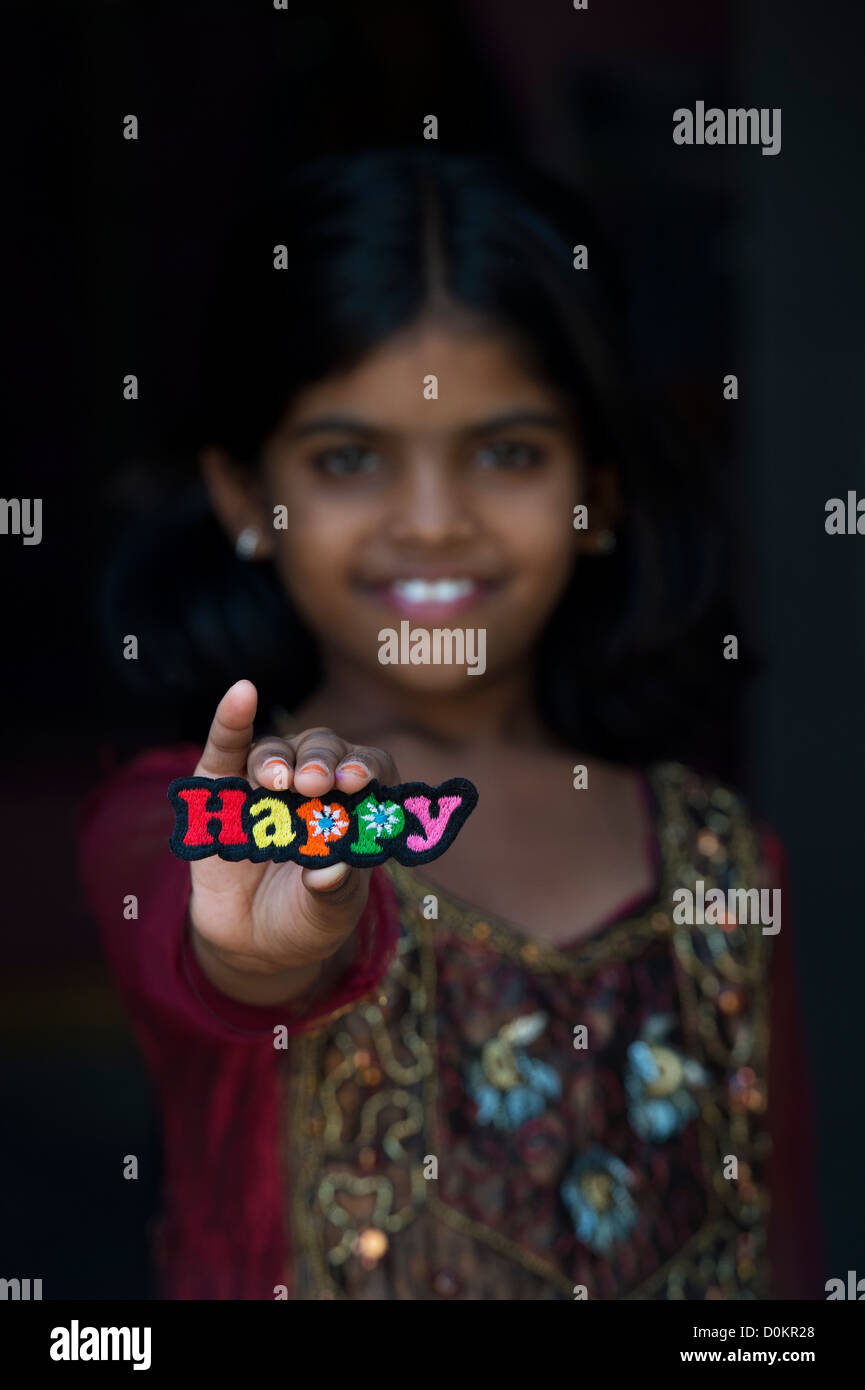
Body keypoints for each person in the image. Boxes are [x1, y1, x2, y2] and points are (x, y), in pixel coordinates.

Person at [79, 148, 821, 1300]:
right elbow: (198, 931)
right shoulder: (190, 824)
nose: (432, 522)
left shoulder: (723, 859)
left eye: (507, 452)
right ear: (244, 498)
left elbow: (779, 1262)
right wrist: (258, 951)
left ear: (599, 494)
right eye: (349, 459)